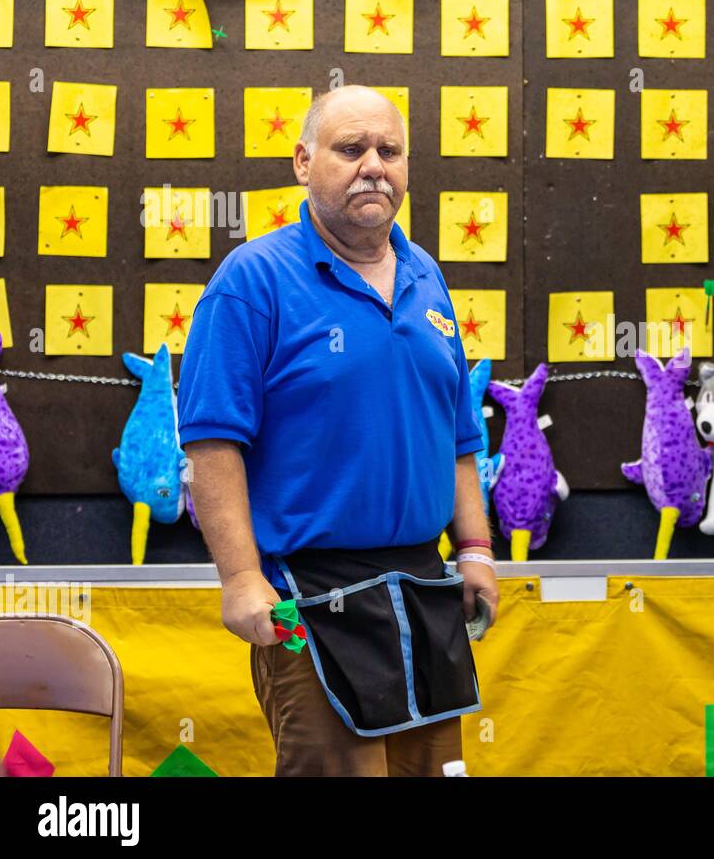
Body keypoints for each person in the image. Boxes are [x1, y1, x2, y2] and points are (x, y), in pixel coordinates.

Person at [178, 85, 499, 776]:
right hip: (307, 597)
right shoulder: (251, 282)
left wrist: (474, 549)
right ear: (302, 161)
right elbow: (210, 444)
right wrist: (238, 578)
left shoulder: (426, 277)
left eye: (389, 151)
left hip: (425, 585)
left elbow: (459, 437)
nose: (374, 166)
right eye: (350, 150)